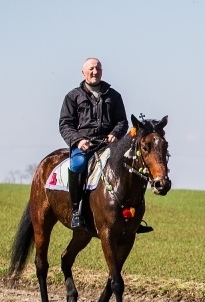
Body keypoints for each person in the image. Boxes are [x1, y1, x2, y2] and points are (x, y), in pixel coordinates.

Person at [59, 58, 151, 233]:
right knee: (78, 164)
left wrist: (114, 134)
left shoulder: (114, 96)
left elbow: (122, 121)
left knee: (132, 164)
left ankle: (134, 216)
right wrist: (79, 140)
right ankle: (76, 211)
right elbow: (65, 124)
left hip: (109, 145)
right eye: (91, 69)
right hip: (84, 145)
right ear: (83, 73)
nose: (95, 72)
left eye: (98, 68)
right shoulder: (72, 96)